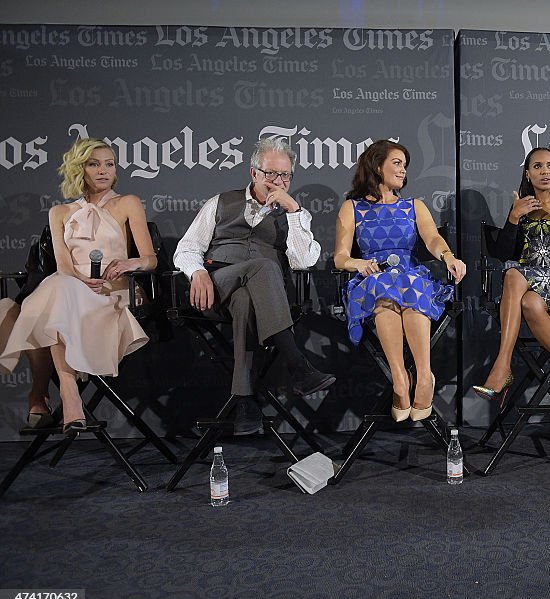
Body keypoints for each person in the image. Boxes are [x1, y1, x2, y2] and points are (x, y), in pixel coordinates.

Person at [173, 138, 335, 435]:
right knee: (264, 265)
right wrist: (197, 273)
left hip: (258, 299)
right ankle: (297, 364)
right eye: (270, 174)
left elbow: (301, 262)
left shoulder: (296, 215)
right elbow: (186, 249)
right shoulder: (220, 202)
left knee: (247, 299)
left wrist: (294, 213)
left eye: (285, 175)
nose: (278, 181)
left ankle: (245, 401)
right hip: (216, 287)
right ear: (254, 173)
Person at [0, 138, 153, 433]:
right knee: (61, 288)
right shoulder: (59, 212)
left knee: (50, 299)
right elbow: (64, 266)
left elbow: (150, 259)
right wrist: (79, 281)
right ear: (78, 169)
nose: (103, 171)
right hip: (71, 285)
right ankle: (70, 393)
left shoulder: (128, 203)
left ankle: (40, 394)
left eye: (109, 164)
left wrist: (128, 263)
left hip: (113, 291)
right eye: (94, 164)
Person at [334, 140, 466, 421]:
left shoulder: (413, 206)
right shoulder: (352, 208)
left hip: (411, 275)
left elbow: (432, 238)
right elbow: (340, 257)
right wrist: (357, 263)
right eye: (397, 163)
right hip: (372, 276)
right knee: (383, 288)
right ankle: (399, 378)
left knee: (410, 286)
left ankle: (423, 375)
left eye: (405, 166)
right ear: (376, 165)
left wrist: (448, 257)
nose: (403, 171)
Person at [471, 147, 550, 409]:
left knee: (513, 274)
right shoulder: (521, 207)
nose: (545, 171)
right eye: (537, 166)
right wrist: (514, 217)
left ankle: (502, 366)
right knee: (528, 301)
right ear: (528, 174)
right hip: (528, 281)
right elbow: (503, 254)